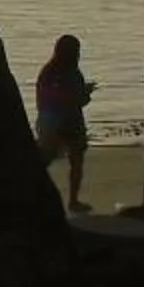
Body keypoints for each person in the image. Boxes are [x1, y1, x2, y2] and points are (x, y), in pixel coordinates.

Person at [35, 34, 96, 212]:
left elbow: (45, 100)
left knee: (47, 160)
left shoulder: (48, 71)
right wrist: (85, 94)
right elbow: (75, 100)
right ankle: (73, 200)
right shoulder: (70, 73)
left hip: (53, 122)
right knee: (74, 162)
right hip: (66, 122)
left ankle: (41, 198)